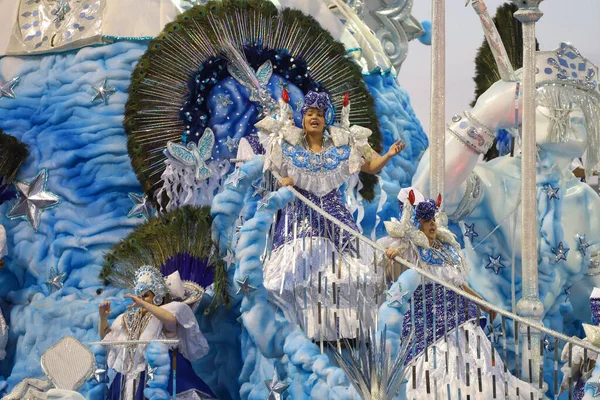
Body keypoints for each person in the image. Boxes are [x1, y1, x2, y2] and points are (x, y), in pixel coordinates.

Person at [412, 43, 600, 333]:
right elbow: (427, 195)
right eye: (557, 101)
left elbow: (588, 299)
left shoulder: (587, 201)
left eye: (581, 105)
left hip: (552, 356)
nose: (573, 113)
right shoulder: (493, 180)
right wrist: (485, 115)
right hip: (486, 352)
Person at [257, 90, 404, 340]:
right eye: (310, 113)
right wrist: (286, 182)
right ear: (302, 119)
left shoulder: (341, 150)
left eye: (320, 114)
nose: (315, 117)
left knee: (351, 273)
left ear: (326, 120)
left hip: (336, 217)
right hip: (301, 217)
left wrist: (388, 155)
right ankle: (304, 333)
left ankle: (343, 333)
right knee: (301, 270)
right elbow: (277, 177)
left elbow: (371, 166)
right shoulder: (287, 146)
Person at [380, 188, 539, 399]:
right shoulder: (408, 249)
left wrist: (483, 304)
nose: (433, 224)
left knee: (475, 363)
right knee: (437, 368)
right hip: (428, 322)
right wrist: (393, 259)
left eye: (433, 219)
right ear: (415, 223)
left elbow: (458, 284)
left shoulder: (445, 248)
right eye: (426, 221)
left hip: (460, 317)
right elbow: (397, 279)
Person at [99, 266, 213, 400]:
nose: (140, 299)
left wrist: (144, 304)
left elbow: (171, 321)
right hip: (129, 378)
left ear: (157, 296)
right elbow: (106, 337)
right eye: (139, 296)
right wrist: (103, 318)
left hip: (160, 377)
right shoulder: (126, 318)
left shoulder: (167, 312)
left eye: (145, 295)